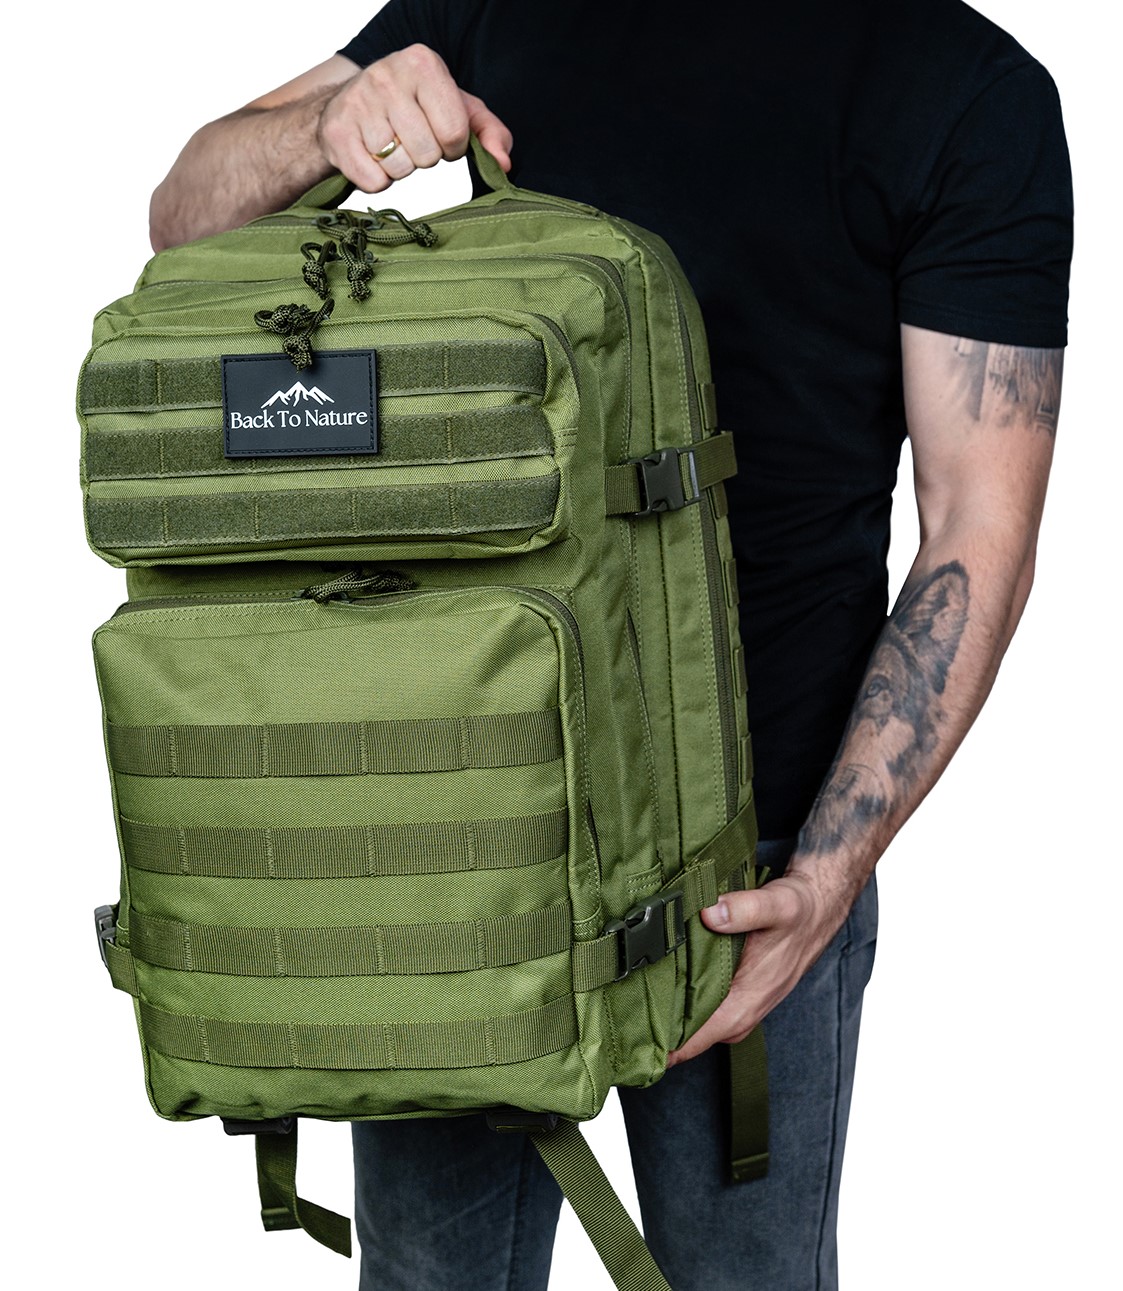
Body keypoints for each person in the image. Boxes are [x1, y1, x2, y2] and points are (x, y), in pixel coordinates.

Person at [148, 2, 1073, 1287]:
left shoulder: (963, 87)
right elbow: (184, 222)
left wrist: (827, 878)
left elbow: (978, 526)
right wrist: (325, 127)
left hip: (756, 853)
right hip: (468, 814)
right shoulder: (490, 6)